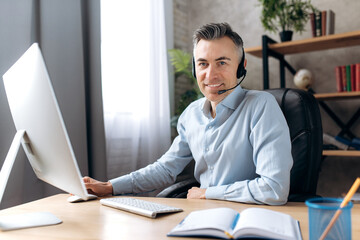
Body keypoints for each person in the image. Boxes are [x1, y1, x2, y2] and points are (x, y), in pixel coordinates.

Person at [84, 22, 293, 205]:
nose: (210, 75)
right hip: (203, 215)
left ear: (241, 67)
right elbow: (165, 169)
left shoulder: (261, 106)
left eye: (222, 62)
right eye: (203, 64)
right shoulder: (191, 114)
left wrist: (208, 193)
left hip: (247, 218)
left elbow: (274, 189)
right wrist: (109, 186)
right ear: (195, 69)